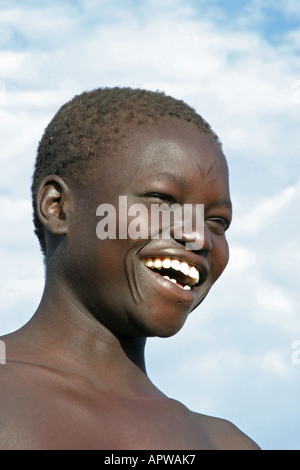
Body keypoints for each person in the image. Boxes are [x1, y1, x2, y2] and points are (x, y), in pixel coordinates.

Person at [0, 87, 260, 450]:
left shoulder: (225, 444)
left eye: (217, 221)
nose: (199, 236)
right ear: (58, 207)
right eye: (162, 199)